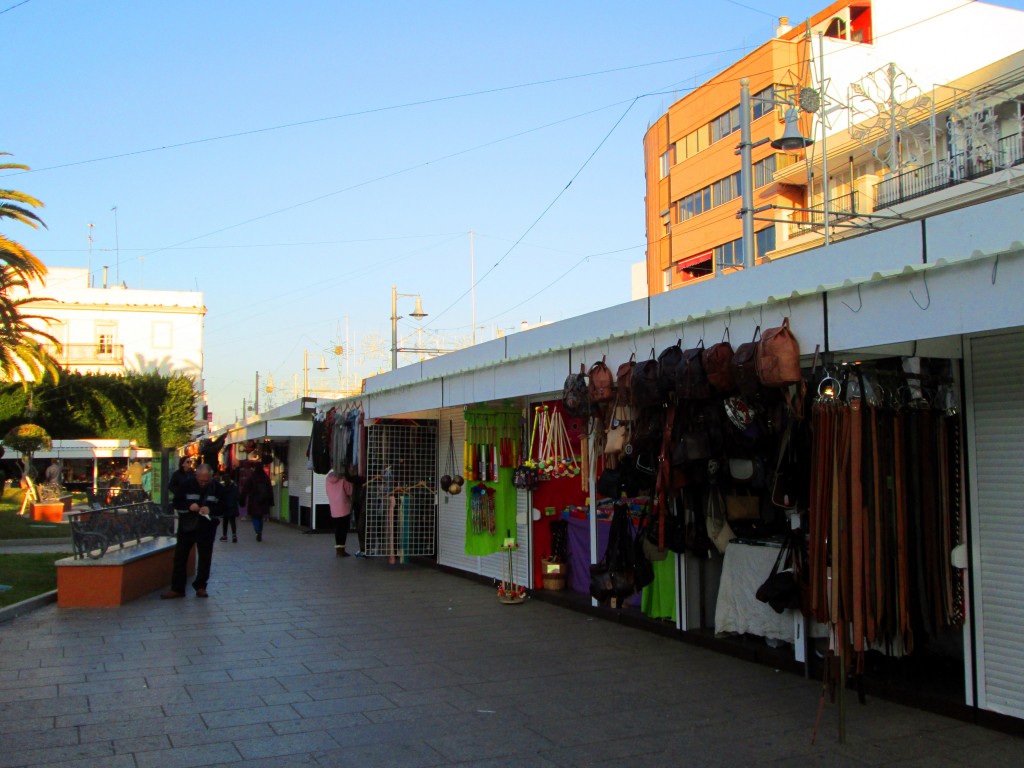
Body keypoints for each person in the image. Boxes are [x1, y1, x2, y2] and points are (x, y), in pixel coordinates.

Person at [161, 463, 221, 599]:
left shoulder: (217, 488)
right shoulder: (186, 485)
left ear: (211, 477)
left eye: (206, 480)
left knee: (205, 558)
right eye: (201, 480)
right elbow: (176, 502)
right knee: (180, 557)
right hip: (187, 526)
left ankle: (201, 586)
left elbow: (225, 507)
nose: (203, 483)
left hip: (206, 528)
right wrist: (189, 506)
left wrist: (211, 510)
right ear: (196, 476)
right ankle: (177, 588)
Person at [240, 465, 273, 542]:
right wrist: (271, 502)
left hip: (253, 501)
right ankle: (259, 531)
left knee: (255, 517)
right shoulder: (266, 478)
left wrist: (242, 500)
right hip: (263, 501)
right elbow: (270, 490)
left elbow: (245, 489)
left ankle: (257, 531)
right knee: (260, 517)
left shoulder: (252, 478)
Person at [325, 469, 353, 557]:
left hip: (334, 507)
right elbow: (350, 491)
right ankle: (342, 550)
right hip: (344, 506)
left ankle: (338, 550)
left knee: (337, 529)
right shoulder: (343, 478)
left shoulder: (328, 478)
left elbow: (327, 492)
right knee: (343, 529)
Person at [218, 472, 240, 543]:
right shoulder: (234, 487)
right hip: (232, 506)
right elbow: (237, 496)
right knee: (232, 521)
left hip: (225, 506)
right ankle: (234, 535)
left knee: (225, 522)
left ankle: (225, 536)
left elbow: (220, 497)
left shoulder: (222, 487)